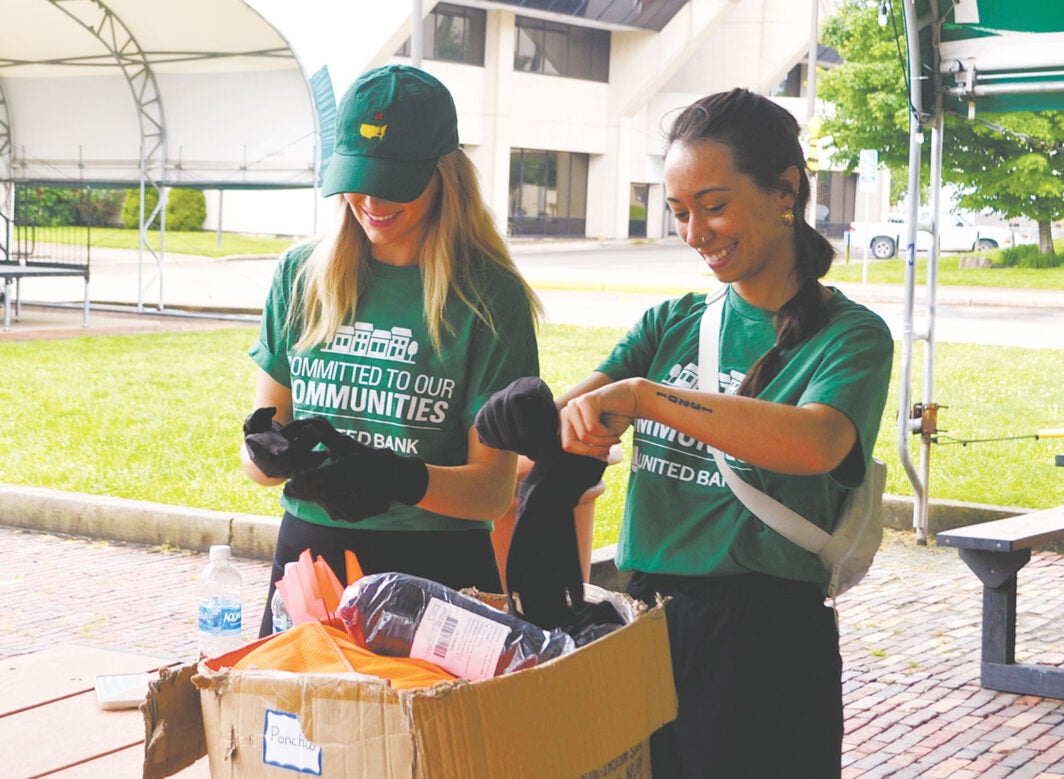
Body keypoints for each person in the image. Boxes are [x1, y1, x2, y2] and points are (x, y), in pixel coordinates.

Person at [557, 88, 894, 778]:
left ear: (785, 192)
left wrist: (650, 398)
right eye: (679, 212)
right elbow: (573, 414)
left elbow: (815, 442)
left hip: (766, 638)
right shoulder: (671, 322)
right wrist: (555, 420)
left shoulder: (850, 336)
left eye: (713, 205)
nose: (694, 232)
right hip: (646, 623)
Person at [240, 64, 542, 636]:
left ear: (444, 175)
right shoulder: (300, 275)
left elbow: (494, 491)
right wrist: (267, 454)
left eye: (395, 181)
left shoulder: (487, 295)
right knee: (297, 727)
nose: (371, 199)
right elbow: (258, 457)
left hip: (436, 571)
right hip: (310, 564)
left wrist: (398, 479)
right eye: (359, 176)